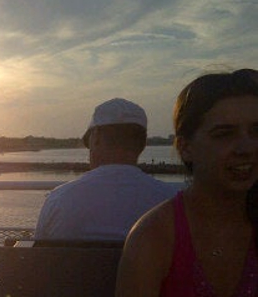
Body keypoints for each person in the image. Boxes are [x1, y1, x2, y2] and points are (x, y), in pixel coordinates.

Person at [114, 69, 258, 297]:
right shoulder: (154, 240)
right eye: (224, 133)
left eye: (256, 131)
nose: (246, 147)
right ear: (186, 147)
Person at [34, 98, 178, 241]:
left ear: (95, 139)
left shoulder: (59, 200)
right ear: (143, 144)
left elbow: (37, 254)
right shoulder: (171, 202)